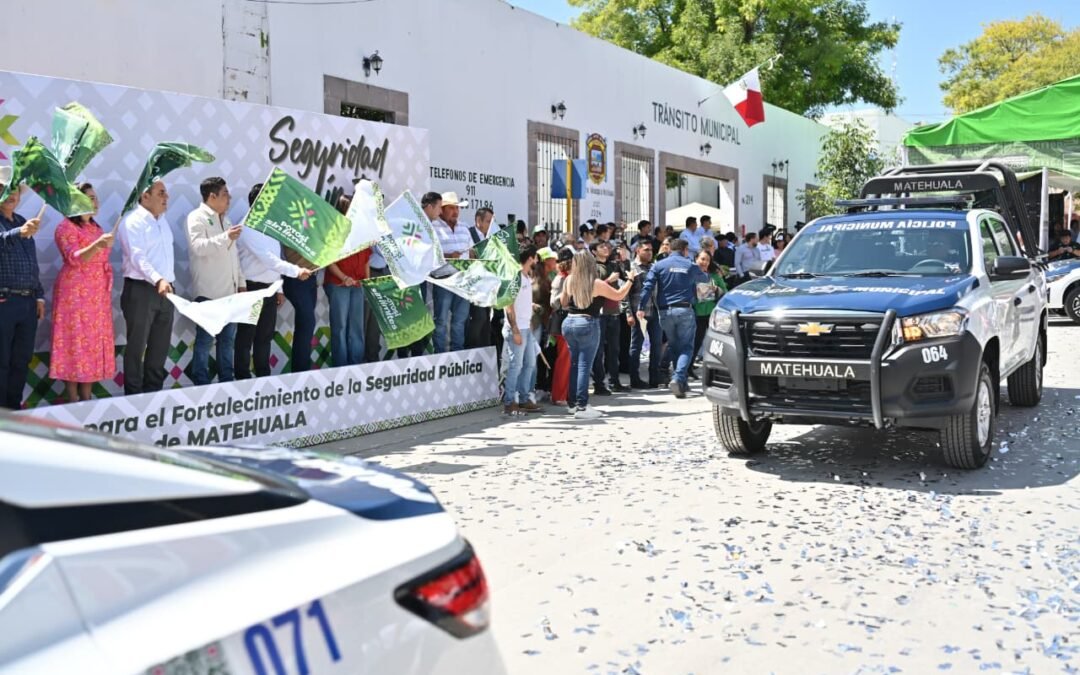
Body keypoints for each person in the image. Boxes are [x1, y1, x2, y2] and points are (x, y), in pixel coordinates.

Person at [235, 183, 312, 379]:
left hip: (270, 289)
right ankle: (242, 379)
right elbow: (269, 259)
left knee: (264, 337)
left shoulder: (268, 225)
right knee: (246, 337)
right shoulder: (247, 227)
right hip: (251, 289)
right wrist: (296, 271)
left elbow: (275, 257)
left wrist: (279, 288)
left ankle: (263, 378)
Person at [50, 183, 115, 402]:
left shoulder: (96, 228)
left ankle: (86, 394)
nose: (95, 202)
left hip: (96, 294)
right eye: (89, 198)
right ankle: (72, 397)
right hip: (75, 293)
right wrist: (97, 246)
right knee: (74, 340)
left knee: (92, 342)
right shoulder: (65, 227)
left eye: (95, 197)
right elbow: (74, 258)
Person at [560, 250, 635, 419]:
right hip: (587, 322)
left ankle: (573, 404)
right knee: (584, 365)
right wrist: (630, 280)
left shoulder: (569, 280)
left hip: (569, 322)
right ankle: (582, 406)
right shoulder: (596, 283)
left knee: (575, 364)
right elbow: (619, 295)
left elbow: (563, 302)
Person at [119, 179, 176, 395]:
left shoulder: (163, 221)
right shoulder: (132, 221)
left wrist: (166, 281)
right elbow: (137, 257)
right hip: (141, 290)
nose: (166, 197)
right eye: (161, 193)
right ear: (145, 196)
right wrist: (158, 279)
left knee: (160, 347)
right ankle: (133, 397)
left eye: (166, 193)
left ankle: (154, 396)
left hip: (166, 290)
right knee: (136, 347)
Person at [186, 177, 244, 386]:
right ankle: (201, 384)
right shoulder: (196, 217)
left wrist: (241, 282)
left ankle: (227, 381)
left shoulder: (226, 220)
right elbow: (198, 248)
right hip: (208, 291)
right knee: (205, 341)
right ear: (212, 196)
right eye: (225, 194)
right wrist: (226, 237)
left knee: (227, 341)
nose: (229, 198)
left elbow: (233, 255)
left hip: (230, 292)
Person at [638, 239, 710, 399]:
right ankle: (678, 377)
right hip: (684, 310)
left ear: (670, 249)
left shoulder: (659, 265)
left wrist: (641, 307)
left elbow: (647, 286)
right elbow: (705, 279)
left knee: (675, 345)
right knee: (686, 347)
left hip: (664, 312)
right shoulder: (690, 265)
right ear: (685, 250)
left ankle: (681, 383)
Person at [0, 168, 45, 409]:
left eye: (14, 190)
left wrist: (39, 296)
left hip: (27, 303)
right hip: (4, 301)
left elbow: (31, 263)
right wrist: (20, 233)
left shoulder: (21, 221)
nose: (11, 195)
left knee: (21, 360)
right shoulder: (21, 227)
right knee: (2, 361)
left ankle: (13, 410)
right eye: (4, 189)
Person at [323, 194, 370, 367]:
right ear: (344, 209)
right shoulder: (334, 230)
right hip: (338, 284)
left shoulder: (362, 230)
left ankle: (356, 365)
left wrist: (367, 282)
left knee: (357, 327)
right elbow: (328, 260)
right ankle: (341, 367)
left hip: (358, 284)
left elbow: (366, 259)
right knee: (340, 327)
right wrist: (344, 277)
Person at [392, 192, 441, 359]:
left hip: (420, 279)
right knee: (405, 318)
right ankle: (403, 358)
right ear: (430, 206)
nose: (440, 212)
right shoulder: (412, 223)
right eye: (439, 207)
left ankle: (417, 357)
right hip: (406, 279)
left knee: (418, 318)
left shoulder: (429, 227)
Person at [503, 246, 543, 415]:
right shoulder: (515, 276)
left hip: (526, 327)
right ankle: (509, 402)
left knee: (530, 364)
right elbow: (508, 304)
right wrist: (515, 330)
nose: (537, 261)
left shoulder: (526, 277)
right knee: (516, 365)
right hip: (517, 328)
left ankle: (524, 399)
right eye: (536, 258)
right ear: (531, 258)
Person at [431, 192, 473, 352]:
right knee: (441, 320)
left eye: (457, 208)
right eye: (451, 208)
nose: (455, 212)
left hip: (463, 280)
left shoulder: (464, 228)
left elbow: (471, 252)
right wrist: (449, 255)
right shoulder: (433, 227)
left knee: (460, 320)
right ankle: (439, 355)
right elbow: (429, 254)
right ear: (441, 210)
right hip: (443, 280)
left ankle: (457, 354)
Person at [590, 240, 625, 393]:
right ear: (594, 251)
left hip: (614, 311)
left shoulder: (613, 265)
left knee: (614, 349)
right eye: (601, 247)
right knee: (598, 351)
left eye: (607, 246)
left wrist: (623, 260)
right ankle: (599, 383)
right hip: (599, 313)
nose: (606, 248)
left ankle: (614, 381)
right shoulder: (592, 267)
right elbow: (592, 288)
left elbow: (626, 278)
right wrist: (608, 281)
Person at [625, 238, 661, 388]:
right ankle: (635, 379)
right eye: (646, 250)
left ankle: (655, 378)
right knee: (636, 347)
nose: (649, 253)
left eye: (651, 250)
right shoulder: (631, 267)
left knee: (657, 346)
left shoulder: (654, 267)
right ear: (637, 251)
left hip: (655, 311)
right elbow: (625, 293)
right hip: (638, 313)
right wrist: (628, 313)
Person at [692, 250, 727, 373]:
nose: (705, 262)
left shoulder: (714, 275)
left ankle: (718, 368)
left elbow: (725, 292)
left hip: (712, 313)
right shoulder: (690, 274)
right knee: (696, 341)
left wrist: (716, 289)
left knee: (717, 341)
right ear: (696, 259)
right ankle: (688, 367)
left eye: (707, 260)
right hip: (696, 313)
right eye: (702, 259)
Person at [548, 247, 574, 406]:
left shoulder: (569, 277)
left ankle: (567, 393)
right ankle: (559, 395)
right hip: (562, 319)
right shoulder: (561, 279)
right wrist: (567, 295)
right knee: (564, 360)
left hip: (569, 319)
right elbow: (554, 302)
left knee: (569, 359)